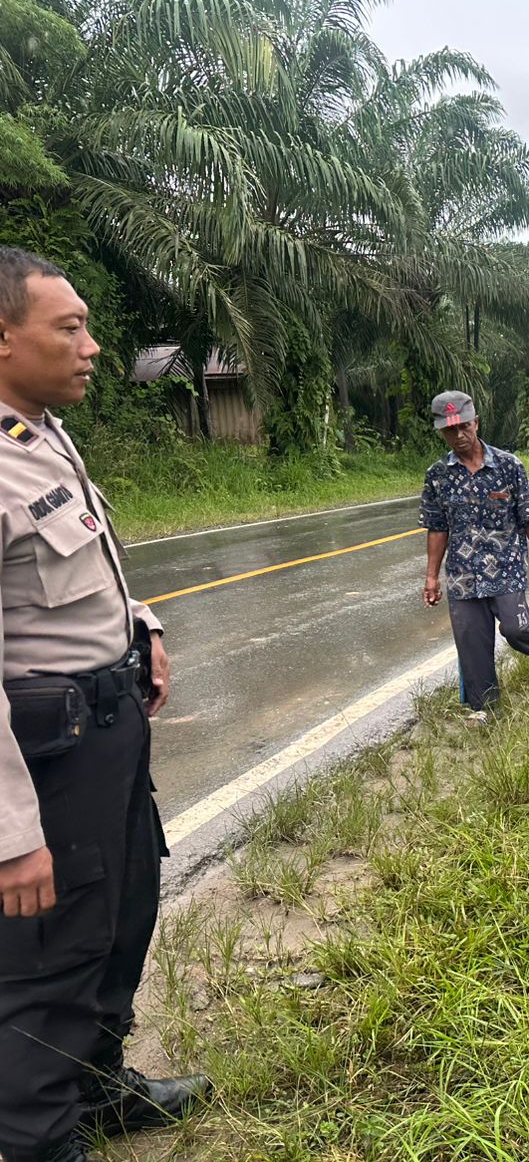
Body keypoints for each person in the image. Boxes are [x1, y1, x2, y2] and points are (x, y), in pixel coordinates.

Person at [0, 248, 208, 1162]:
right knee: (48, 963)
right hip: (45, 757)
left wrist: (141, 625)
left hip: (107, 731)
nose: (92, 347)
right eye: (70, 327)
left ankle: (97, 1090)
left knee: (122, 918)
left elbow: (79, 572)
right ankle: (40, 1141)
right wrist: (11, 836)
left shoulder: (38, 434)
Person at [419, 390, 529, 719]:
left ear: (476, 422)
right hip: (462, 574)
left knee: (516, 628)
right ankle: (485, 708)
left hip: (506, 566)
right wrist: (431, 577)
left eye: (464, 426)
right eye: (449, 430)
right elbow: (437, 528)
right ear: (441, 432)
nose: (458, 435)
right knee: (471, 642)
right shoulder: (437, 476)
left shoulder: (508, 465)